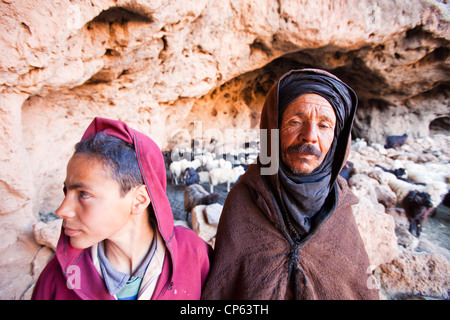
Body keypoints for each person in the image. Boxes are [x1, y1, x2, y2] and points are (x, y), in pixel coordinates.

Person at [201, 68, 379, 300]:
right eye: (295, 121)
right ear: (272, 132)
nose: (310, 135)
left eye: (324, 125)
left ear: (337, 139)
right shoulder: (242, 201)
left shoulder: (340, 209)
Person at [32, 117, 212, 300]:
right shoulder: (56, 280)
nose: (62, 210)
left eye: (83, 194)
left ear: (139, 200)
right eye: (66, 191)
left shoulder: (194, 255)